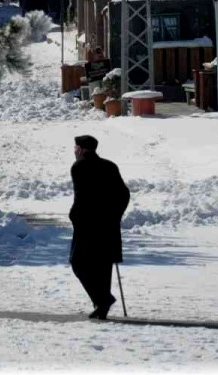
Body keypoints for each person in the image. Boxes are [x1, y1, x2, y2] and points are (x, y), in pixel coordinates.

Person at [69, 134, 131, 320]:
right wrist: (115, 215)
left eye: (75, 148)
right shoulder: (110, 166)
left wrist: (74, 216)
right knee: (103, 265)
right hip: (108, 224)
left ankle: (103, 299)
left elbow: (82, 196)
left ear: (80, 149)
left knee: (78, 263)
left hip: (87, 224)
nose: (74, 151)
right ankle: (101, 306)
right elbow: (124, 194)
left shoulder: (79, 166)